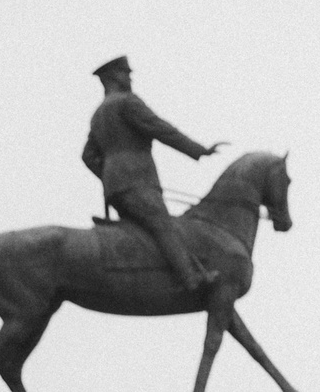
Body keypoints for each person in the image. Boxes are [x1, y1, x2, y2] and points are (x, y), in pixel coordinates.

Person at [81, 55, 226, 293]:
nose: (130, 78)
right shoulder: (128, 102)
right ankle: (190, 279)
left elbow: (87, 156)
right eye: (126, 73)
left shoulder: (98, 114)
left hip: (115, 188)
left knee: (142, 232)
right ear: (114, 77)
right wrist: (198, 149)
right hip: (138, 181)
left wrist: (109, 175)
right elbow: (161, 129)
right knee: (164, 227)